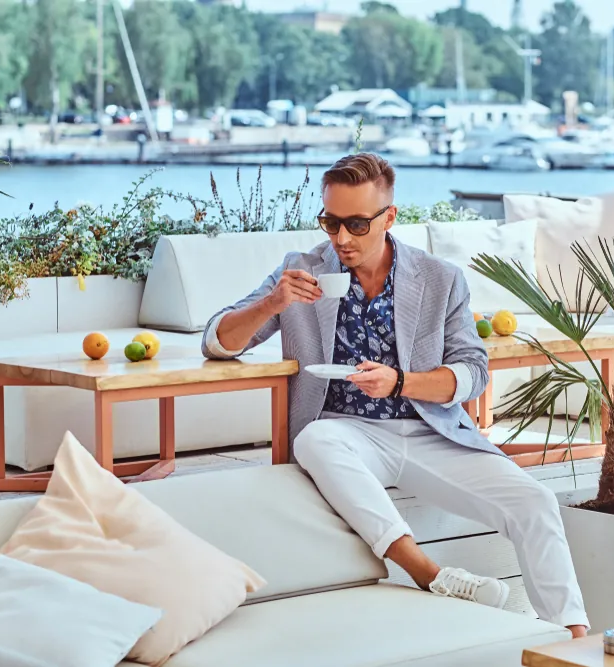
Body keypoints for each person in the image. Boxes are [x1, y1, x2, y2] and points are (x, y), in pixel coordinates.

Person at [201, 153, 589, 637]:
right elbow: (217, 341)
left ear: (389, 217)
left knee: (534, 502)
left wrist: (400, 382)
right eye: (331, 222)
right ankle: (431, 575)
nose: (341, 239)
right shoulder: (299, 271)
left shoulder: (440, 278)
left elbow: (473, 372)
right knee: (316, 440)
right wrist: (272, 302)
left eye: (357, 224)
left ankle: (571, 638)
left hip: (430, 430)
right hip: (346, 432)